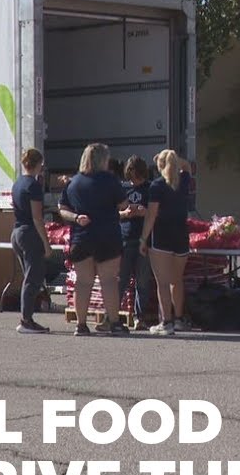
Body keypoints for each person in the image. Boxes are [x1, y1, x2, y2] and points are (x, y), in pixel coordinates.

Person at [58, 143, 130, 337]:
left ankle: (81, 325)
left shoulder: (73, 183)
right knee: (108, 280)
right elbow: (123, 203)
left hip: (81, 237)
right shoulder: (110, 180)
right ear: (102, 160)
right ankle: (114, 322)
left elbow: (62, 209)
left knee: (83, 282)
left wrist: (76, 218)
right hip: (107, 235)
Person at [139, 149, 192, 336]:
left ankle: (166, 322)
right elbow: (187, 166)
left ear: (159, 166)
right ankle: (178, 319)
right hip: (181, 235)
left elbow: (151, 215)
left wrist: (143, 238)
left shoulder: (156, 186)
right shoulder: (184, 181)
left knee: (162, 282)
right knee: (177, 280)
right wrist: (175, 159)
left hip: (161, 236)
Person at [11, 148, 53, 334]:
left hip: (17, 232)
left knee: (28, 276)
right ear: (38, 164)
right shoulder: (33, 186)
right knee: (33, 277)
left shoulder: (18, 184)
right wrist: (46, 243)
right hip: (29, 233)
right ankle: (26, 320)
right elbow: (37, 218)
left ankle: (27, 318)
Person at [118, 155, 155, 326]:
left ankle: (139, 317)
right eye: (131, 173)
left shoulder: (150, 189)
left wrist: (143, 212)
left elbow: (155, 213)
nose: (134, 177)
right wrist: (125, 214)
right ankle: (113, 316)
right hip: (125, 239)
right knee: (121, 280)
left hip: (143, 240)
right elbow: (113, 213)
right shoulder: (122, 189)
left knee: (143, 281)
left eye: (137, 174)